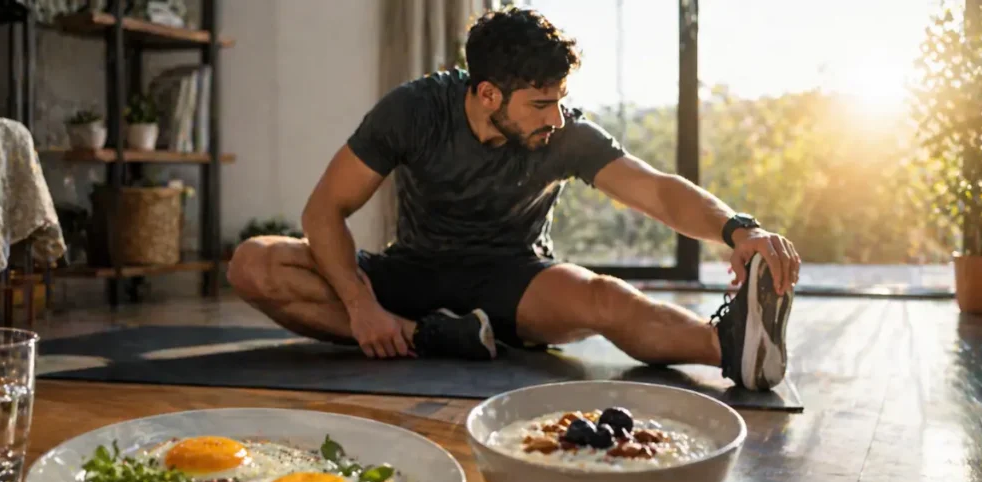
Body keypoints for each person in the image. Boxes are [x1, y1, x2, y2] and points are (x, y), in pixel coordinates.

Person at [227, 7, 799, 391]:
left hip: (513, 282)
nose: (555, 117)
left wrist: (739, 229)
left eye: (560, 100)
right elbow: (322, 211)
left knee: (603, 297)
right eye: (539, 104)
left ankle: (732, 347)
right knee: (255, 263)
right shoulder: (414, 111)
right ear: (487, 93)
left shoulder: (564, 132)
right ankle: (432, 335)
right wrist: (360, 305)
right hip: (411, 274)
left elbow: (655, 190)